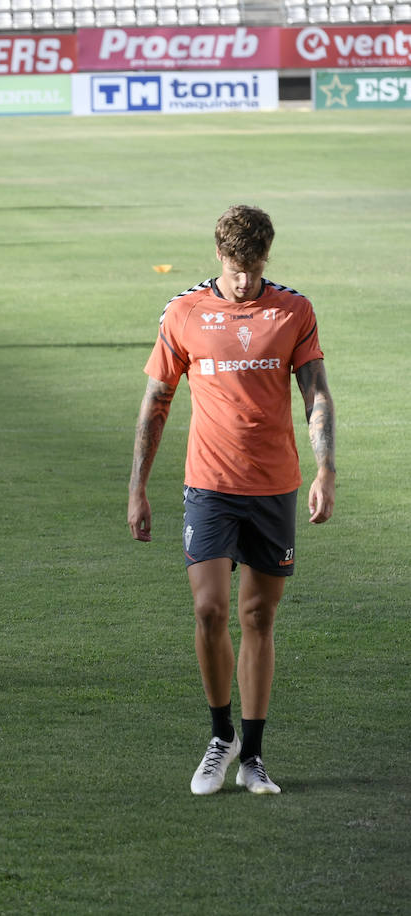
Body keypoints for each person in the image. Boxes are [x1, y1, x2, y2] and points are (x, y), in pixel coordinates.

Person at [128, 205, 336, 796]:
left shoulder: (293, 310)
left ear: (266, 258)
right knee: (210, 611)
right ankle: (221, 738)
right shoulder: (185, 311)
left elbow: (316, 393)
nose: (244, 279)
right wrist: (137, 488)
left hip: (274, 487)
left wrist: (326, 469)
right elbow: (156, 402)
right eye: (234, 266)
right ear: (218, 255)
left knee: (258, 618)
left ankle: (254, 755)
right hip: (209, 486)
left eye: (254, 267)